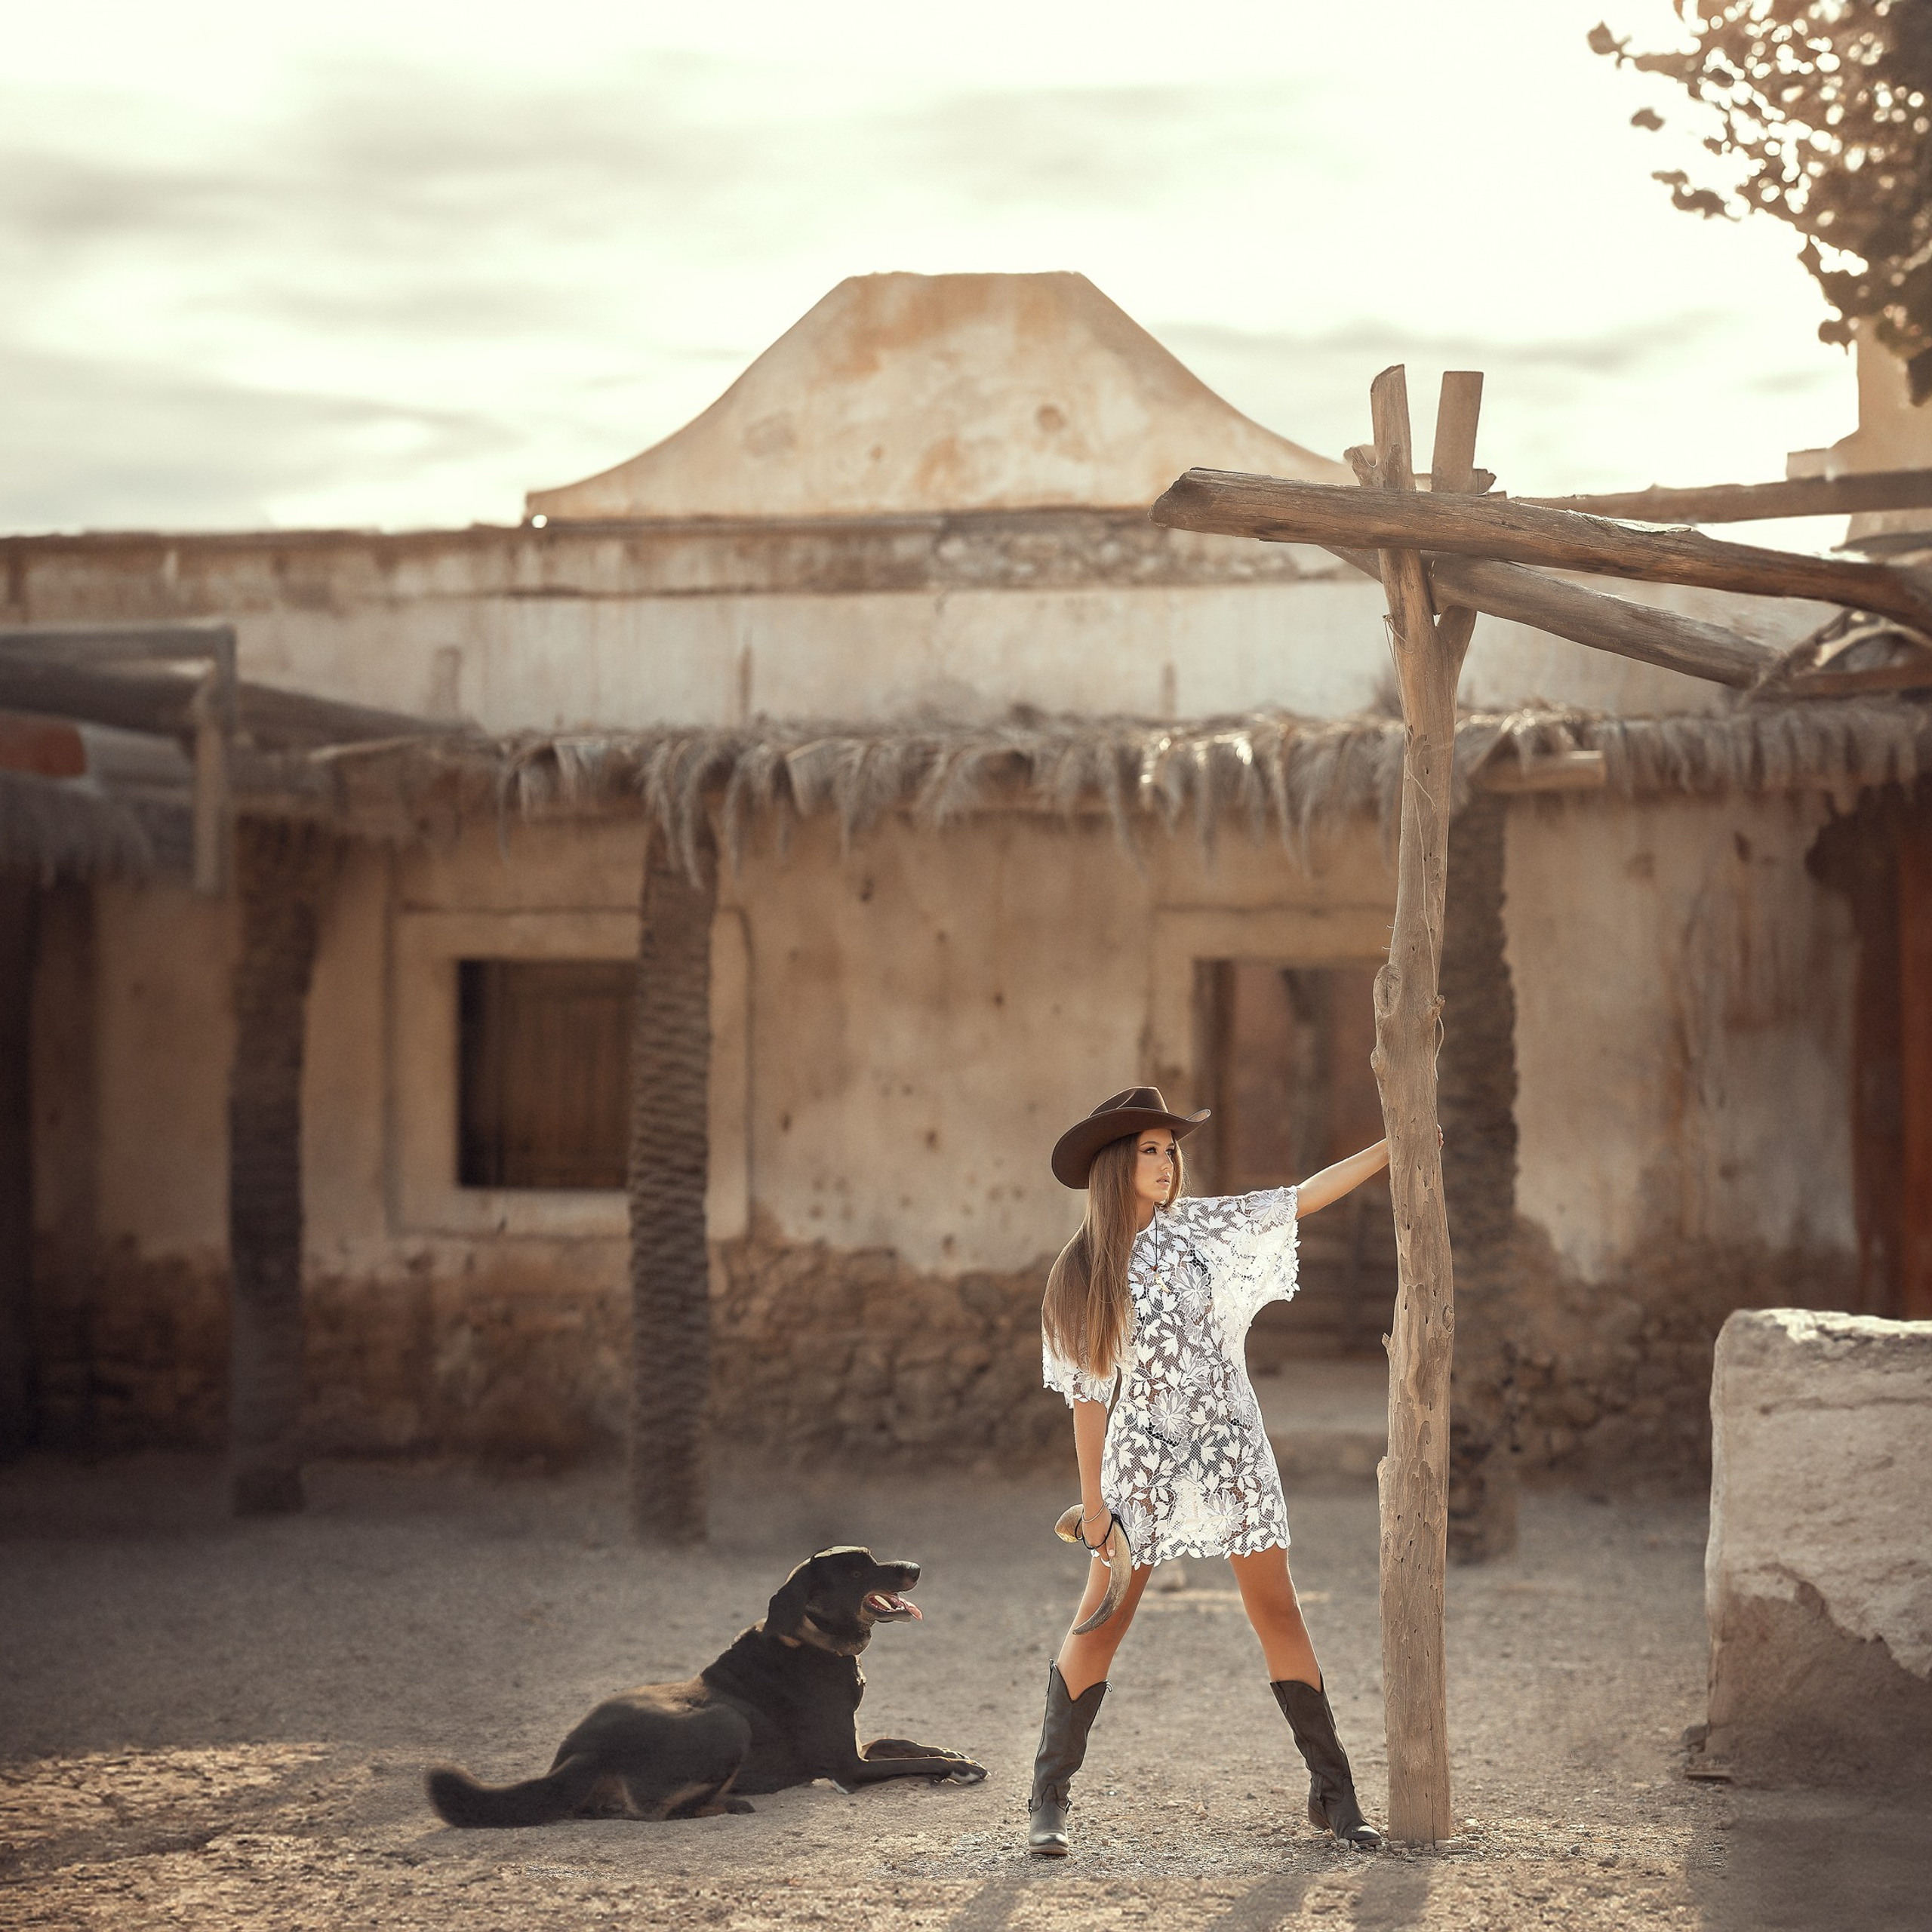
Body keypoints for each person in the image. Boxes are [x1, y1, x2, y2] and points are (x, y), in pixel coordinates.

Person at [1027, 1085, 1395, 1858]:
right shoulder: (1080, 1271)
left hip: (1233, 1453)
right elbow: (1089, 1398)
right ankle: (1048, 1801)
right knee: (1099, 1624)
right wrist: (1095, 1505)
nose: (1166, 1162)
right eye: (1150, 1149)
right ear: (1115, 1162)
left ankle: (1335, 1797)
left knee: (1279, 1612)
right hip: (1142, 1469)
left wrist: (1394, 1146)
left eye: (1169, 1148)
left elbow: (1299, 1198)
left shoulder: (1199, 1229)